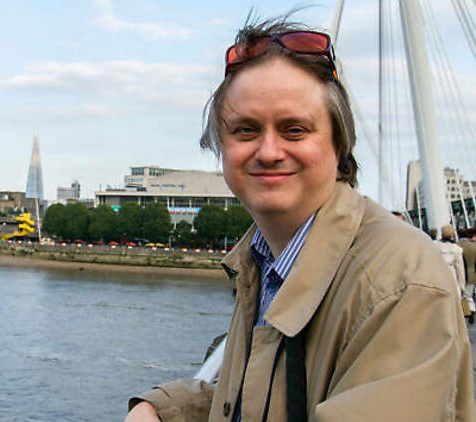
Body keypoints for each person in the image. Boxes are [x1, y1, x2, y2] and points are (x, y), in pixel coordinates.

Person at [125, 14, 475, 422]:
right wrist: (162, 409)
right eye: (245, 130)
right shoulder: (264, 259)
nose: (269, 151)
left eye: (294, 130)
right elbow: (257, 396)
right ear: (221, 148)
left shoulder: (400, 282)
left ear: (338, 143)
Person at [458, 227, 476, 300]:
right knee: (468, 298)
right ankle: (468, 310)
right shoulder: (473, 247)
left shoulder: (456, 246)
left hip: (458, 276)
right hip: (471, 276)